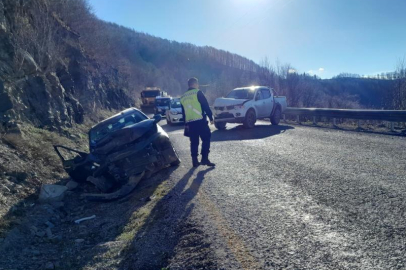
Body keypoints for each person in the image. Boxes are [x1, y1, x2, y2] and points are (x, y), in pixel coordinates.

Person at [180, 77, 215, 167]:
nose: (198, 85)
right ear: (195, 84)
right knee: (206, 138)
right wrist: (211, 117)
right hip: (200, 121)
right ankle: (204, 159)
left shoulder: (183, 96)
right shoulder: (197, 92)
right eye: (197, 84)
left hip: (190, 123)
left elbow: (184, 112)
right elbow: (205, 105)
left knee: (194, 142)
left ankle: (195, 161)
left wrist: (185, 124)